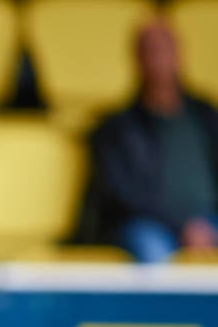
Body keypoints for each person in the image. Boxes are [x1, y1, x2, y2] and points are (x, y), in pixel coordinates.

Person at [85, 18, 218, 263]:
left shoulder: (206, 115)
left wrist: (201, 227)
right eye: (150, 50)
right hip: (151, 224)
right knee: (151, 248)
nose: (160, 58)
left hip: (209, 220)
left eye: (166, 48)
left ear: (180, 53)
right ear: (136, 59)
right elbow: (124, 197)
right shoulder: (117, 128)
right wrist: (182, 227)